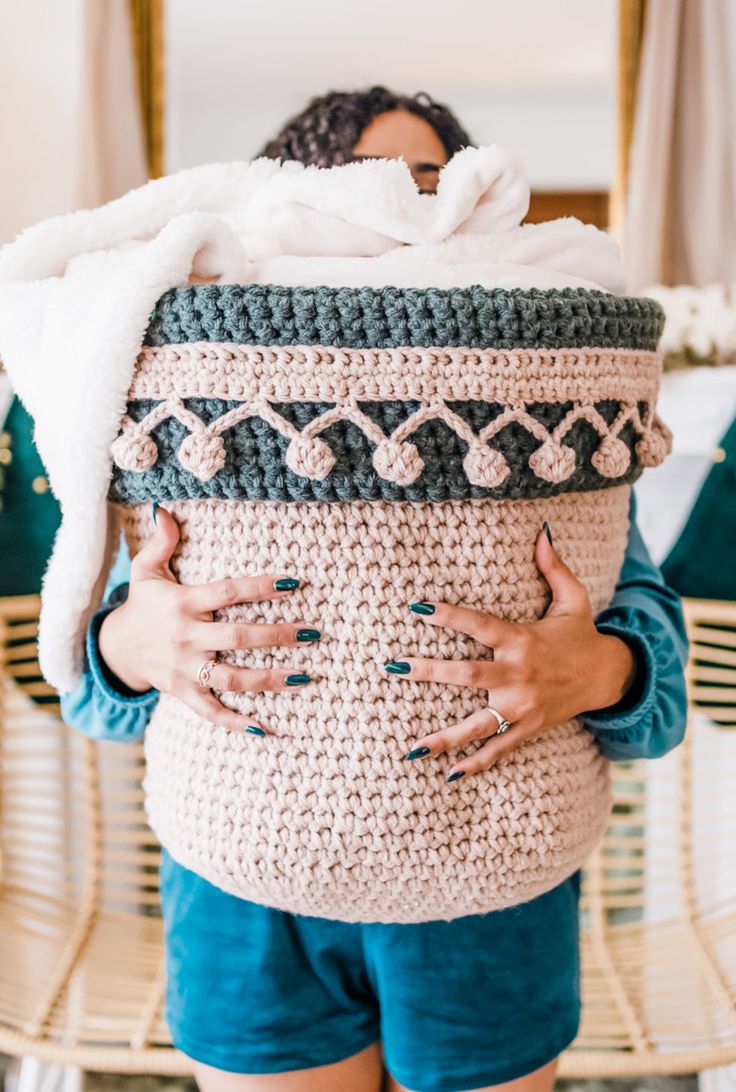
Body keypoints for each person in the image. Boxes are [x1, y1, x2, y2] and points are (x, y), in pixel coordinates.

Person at [61, 86, 688, 1092]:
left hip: (492, 894)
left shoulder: (538, 426)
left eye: (433, 190)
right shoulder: (181, 399)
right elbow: (86, 682)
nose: (405, 222)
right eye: (366, 192)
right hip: (243, 910)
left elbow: (658, 698)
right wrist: (132, 646)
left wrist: (601, 667)